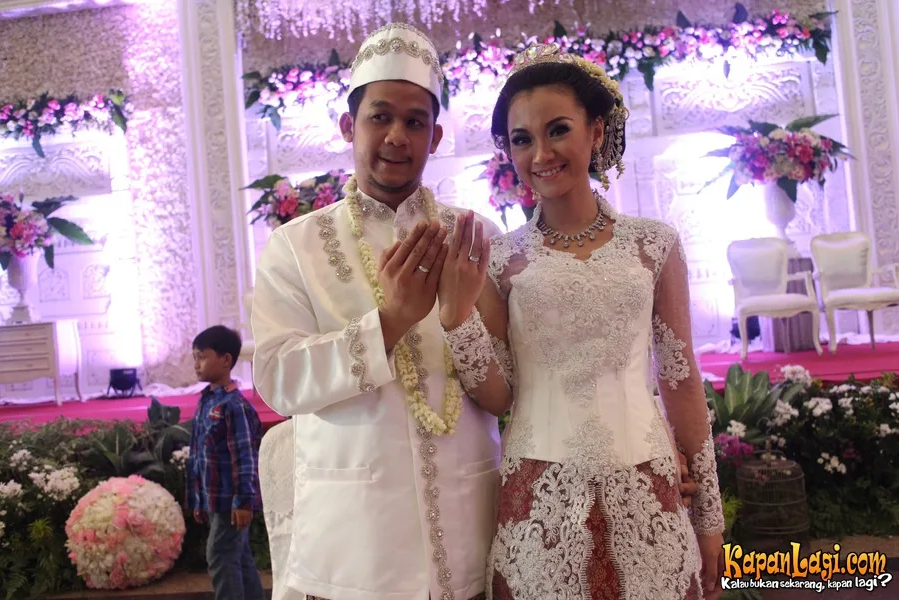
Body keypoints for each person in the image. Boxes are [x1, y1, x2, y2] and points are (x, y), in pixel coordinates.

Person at [250, 23, 515, 600]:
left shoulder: (476, 238)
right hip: (356, 549)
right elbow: (277, 379)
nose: (397, 136)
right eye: (380, 117)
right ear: (349, 126)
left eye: (415, 122)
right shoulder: (295, 246)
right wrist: (388, 323)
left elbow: (510, 384)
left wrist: (458, 316)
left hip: (467, 528)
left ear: (435, 137)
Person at [465, 44, 726, 599]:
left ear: (597, 131)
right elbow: (498, 390)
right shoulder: (498, 259)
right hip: (538, 492)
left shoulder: (653, 244)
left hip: (647, 481)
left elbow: (681, 381)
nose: (541, 153)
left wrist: (709, 518)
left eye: (558, 130)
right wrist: (452, 315)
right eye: (522, 139)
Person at [188, 325, 265, 600]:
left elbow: (245, 457)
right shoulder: (206, 401)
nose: (196, 364)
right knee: (239, 558)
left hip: (231, 501)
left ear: (226, 360)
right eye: (194, 357)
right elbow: (198, 455)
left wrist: (243, 501)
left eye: (202, 356)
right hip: (215, 499)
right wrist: (198, 498)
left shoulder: (234, 405)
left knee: (220, 556)